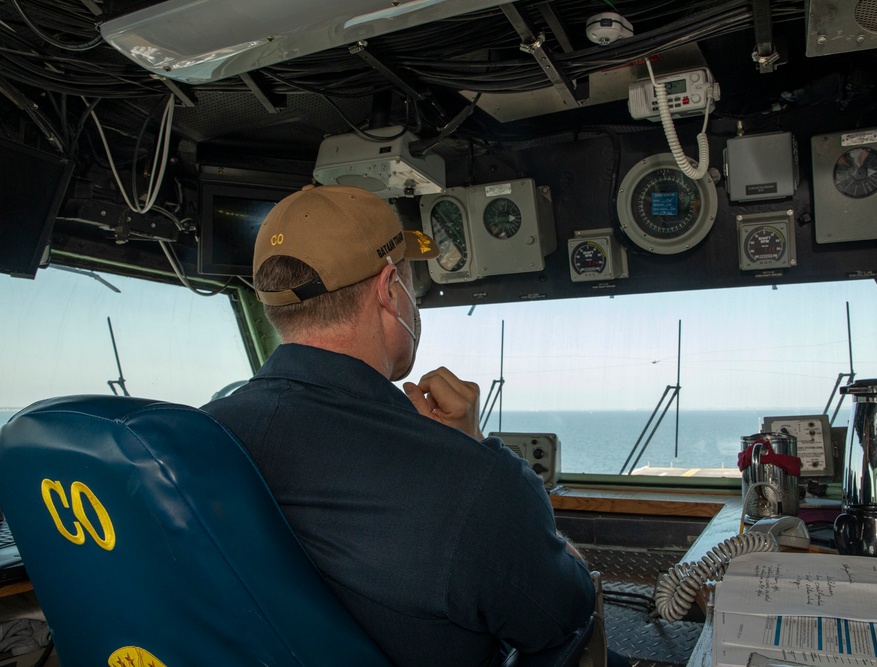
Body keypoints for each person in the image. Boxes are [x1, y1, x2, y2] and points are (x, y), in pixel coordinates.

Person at [202, 184, 598, 667]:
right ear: (390, 289)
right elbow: (564, 614)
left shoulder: (197, 439)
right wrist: (468, 450)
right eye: (412, 283)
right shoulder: (473, 484)